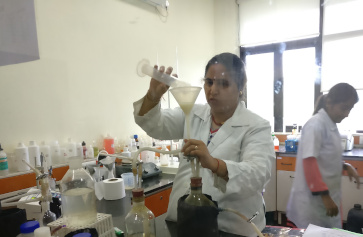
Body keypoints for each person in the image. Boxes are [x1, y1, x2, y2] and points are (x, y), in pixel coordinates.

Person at [133, 52, 275, 236]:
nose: (213, 90)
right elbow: (155, 125)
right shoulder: (192, 113)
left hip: (231, 228)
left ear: (240, 87)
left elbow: (258, 173)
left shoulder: (256, 126)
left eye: (223, 83)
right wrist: (153, 97)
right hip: (182, 222)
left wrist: (215, 164)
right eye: (209, 82)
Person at [286, 83, 360, 229]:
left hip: (325, 202)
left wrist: (345, 166)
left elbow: (326, 158)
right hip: (312, 204)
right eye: (344, 108)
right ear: (329, 103)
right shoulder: (316, 124)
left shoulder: (330, 125)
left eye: (350, 109)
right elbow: (309, 161)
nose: (347, 114)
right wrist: (325, 197)